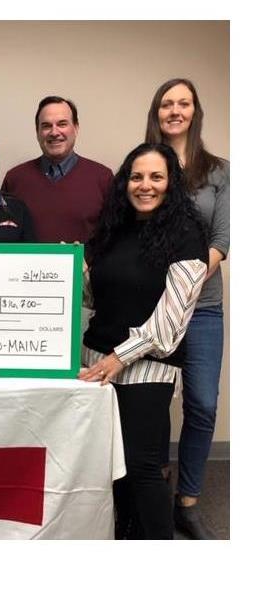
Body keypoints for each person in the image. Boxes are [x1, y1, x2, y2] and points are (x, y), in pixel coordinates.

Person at [79, 143, 208, 539]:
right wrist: (64, 271)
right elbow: (91, 296)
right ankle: (126, 539)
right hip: (95, 360)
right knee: (107, 465)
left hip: (145, 365)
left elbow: (169, 324)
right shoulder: (112, 229)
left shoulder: (186, 234)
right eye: (137, 177)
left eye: (156, 177)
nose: (145, 185)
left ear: (171, 183)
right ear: (125, 182)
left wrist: (120, 358)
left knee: (141, 465)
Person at [145, 78, 230, 539]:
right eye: (166, 104)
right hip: (152, 305)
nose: (174, 110)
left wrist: (190, 280)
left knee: (201, 403)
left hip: (202, 305)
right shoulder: (147, 164)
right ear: (156, 112)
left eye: (183, 103)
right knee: (154, 401)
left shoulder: (220, 171)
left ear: (195, 112)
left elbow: (222, 239)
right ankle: (155, 487)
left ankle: (189, 500)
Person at [1, 96, 113, 242]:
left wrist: (89, 261)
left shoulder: (103, 178)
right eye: (46, 126)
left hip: (85, 265)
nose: (54, 132)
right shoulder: (15, 179)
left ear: (76, 128)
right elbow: (4, 236)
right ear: (37, 132)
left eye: (62, 124)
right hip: (29, 265)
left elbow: (113, 237)